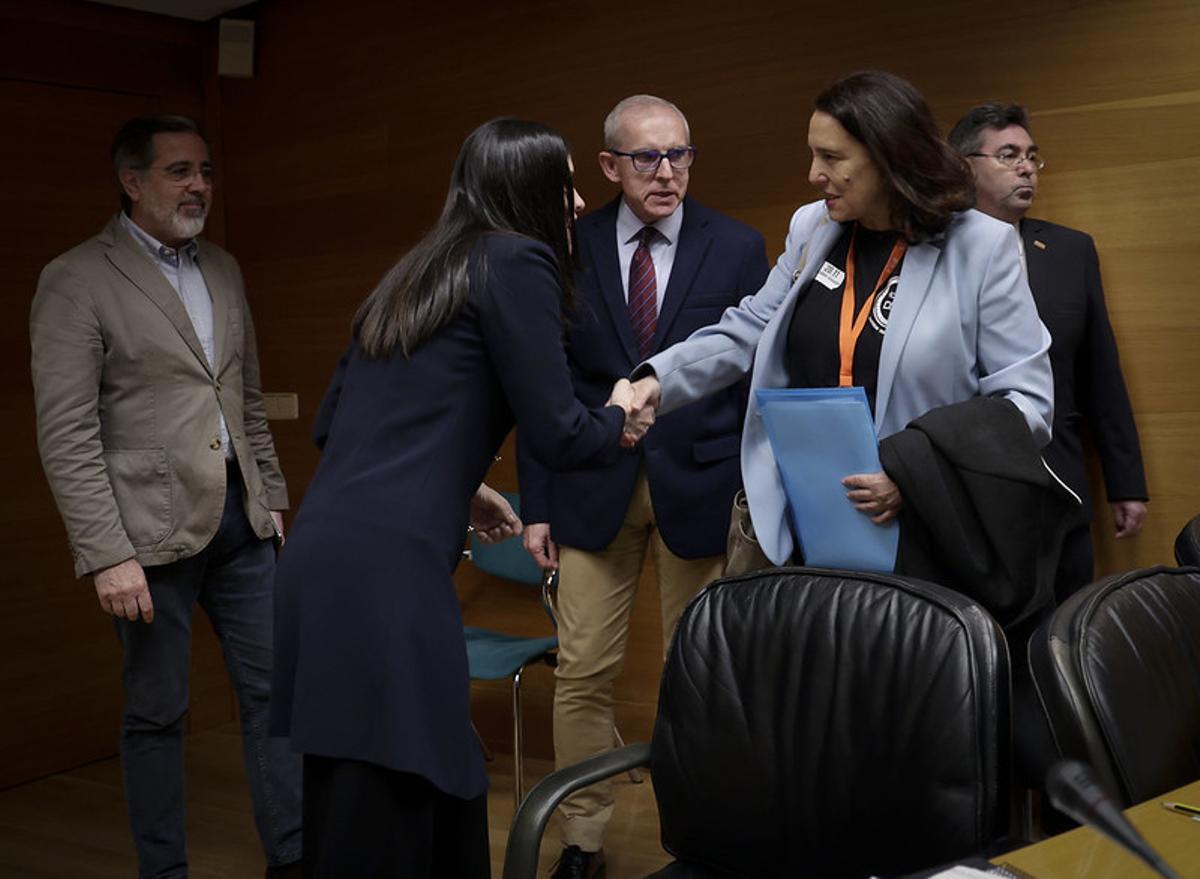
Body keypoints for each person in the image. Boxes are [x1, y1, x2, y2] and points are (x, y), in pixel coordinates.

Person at [269, 118, 640, 877]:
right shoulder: (520, 260)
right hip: (388, 570)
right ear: (526, 190)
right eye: (564, 183)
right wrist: (621, 414)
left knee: (368, 780)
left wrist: (461, 483)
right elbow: (560, 431)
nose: (576, 202)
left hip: (321, 555)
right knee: (409, 782)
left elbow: (336, 422)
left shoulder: (416, 269)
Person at [626, 71, 1055, 584]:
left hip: (920, 526)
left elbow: (1027, 403)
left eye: (831, 158)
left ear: (887, 155)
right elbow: (750, 326)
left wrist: (912, 470)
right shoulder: (814, 228)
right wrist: (654, 382)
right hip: (808, 515)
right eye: (813, 154)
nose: (813, 174)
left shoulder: (982, 246)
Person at [30, 115, 302, 878]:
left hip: (243, 524)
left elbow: (243, 398)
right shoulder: (76, 277)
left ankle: (294, 854)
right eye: (180, 172)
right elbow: (67, 431)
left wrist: (272, 497)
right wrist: (106, 552)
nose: (200, 186)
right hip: (146, 539)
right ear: (132, 181)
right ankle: (165, 870)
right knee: (158, 713)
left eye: (206, 171)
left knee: (275, 692)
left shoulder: (223, 267)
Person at [516, 94, 768, 879]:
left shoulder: (737, 245)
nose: (667, 173)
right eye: (647, 158)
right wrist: (536, 504)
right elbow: (542, 384)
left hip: (702, 485)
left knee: (698, 675)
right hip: (593, 489)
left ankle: (699, 839)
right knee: (583, 669)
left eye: (680, 155)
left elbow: (756, 372)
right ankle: (581, 842)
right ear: (608, 166)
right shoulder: (566, 245)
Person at [949, 103, 1148, 601]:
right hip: (969, 490)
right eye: (1008, 155)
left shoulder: (1070, 250)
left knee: (1066, 625)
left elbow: (1100, 369)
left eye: (1032, 156)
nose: (1026, 168)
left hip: (1060, 481)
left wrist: (1126, 483)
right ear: (964, 167)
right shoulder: (934, 251)